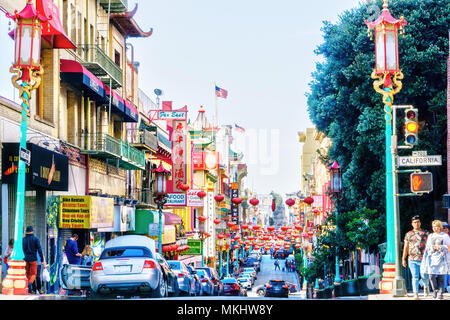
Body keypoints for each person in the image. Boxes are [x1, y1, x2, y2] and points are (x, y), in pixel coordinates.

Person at [421, 220, 450, 300]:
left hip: (442, 259)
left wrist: (440, 247)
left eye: (436, 226)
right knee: (431, 276)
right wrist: (432, 248)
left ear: (440, 227)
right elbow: (427, 247)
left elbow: (449, 247)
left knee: (441, 276)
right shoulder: (430, 236)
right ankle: (435, 290)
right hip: (432, 259)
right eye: (433, 227)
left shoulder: (445, 236)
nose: (435, 228)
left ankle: (440, 293)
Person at [402, 215, 429, 299]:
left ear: (420, 223)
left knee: (424, 275)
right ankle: (416, 293)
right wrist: (403, 258)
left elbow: (429, 246)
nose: (416, 224)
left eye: (418, 222)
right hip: (412, 259)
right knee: (415, 276)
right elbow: (406, 247)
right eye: (414, 222)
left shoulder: (426, 233)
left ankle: (426, 287)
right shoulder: (408, 234)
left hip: (423, 259)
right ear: (412, 224)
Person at [22, 226, 46, 294]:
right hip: (33, 259)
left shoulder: (23, 239)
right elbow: (39, 250)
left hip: (26, 259)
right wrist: (42, 259)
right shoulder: (35, 239)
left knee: (27, 274)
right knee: (34, 274)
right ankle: (29, 283)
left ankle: (31, 289)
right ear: (32, 231)